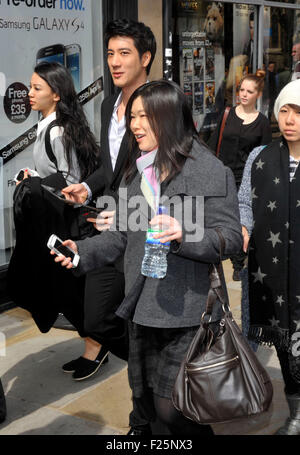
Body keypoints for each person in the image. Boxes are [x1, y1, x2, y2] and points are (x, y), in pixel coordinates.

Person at [52, 80, 243, 435]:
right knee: (146, 406)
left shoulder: (210, 171)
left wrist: (185, 235)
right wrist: (83, 251)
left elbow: (231, 239)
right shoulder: (138, 171)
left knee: (173, 409)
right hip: (140, 306)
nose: (135, 125)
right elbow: (122, 234)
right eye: (133, 116)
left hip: (190, 313)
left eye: (144, 116)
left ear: (169, 118)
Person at [62, 19, 157, 434]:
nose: (114, 62)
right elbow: (108, 167)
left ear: (146, 58)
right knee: (99, 319)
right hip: (106, 226)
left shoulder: (162, 103)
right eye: (111, 53)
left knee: (148, 325)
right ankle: (153, 380)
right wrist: (86, 186)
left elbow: (168, 173)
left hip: (148, 233)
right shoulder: (107, 104)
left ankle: (151, 411)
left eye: (124, 54)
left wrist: (129, 212)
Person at [8, 61, 101, 372]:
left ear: (56, 94)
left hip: (67, 226)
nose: (29, 93)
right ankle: (95, 345)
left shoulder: (58, 131)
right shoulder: (48, 125)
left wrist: (33, 185)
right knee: (66, 290)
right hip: (59, 223)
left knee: (69, 289)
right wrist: (33, 176)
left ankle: (97, 346)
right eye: (31, 86)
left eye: (37, 88)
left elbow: (71, 182)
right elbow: (56, 175)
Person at [238, 79, 300, 435]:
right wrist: (244, 228)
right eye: (285, 110)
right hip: (269, 272)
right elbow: (245, 201)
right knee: (284, 345)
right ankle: (296, 413)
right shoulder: (258, 158)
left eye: (298, 112)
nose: (289, 119)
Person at [208, 70, 272, 281]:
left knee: (240, 219)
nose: (244, 94)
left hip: (245, 178)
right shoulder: (227, 114)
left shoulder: (262, 122)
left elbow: (264, 154)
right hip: (221, 174)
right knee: (218, 215)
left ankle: (237, 261)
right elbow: (213, 142)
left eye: (249, 91)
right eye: (241, 90)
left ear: (258, 95)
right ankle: (216, 252)